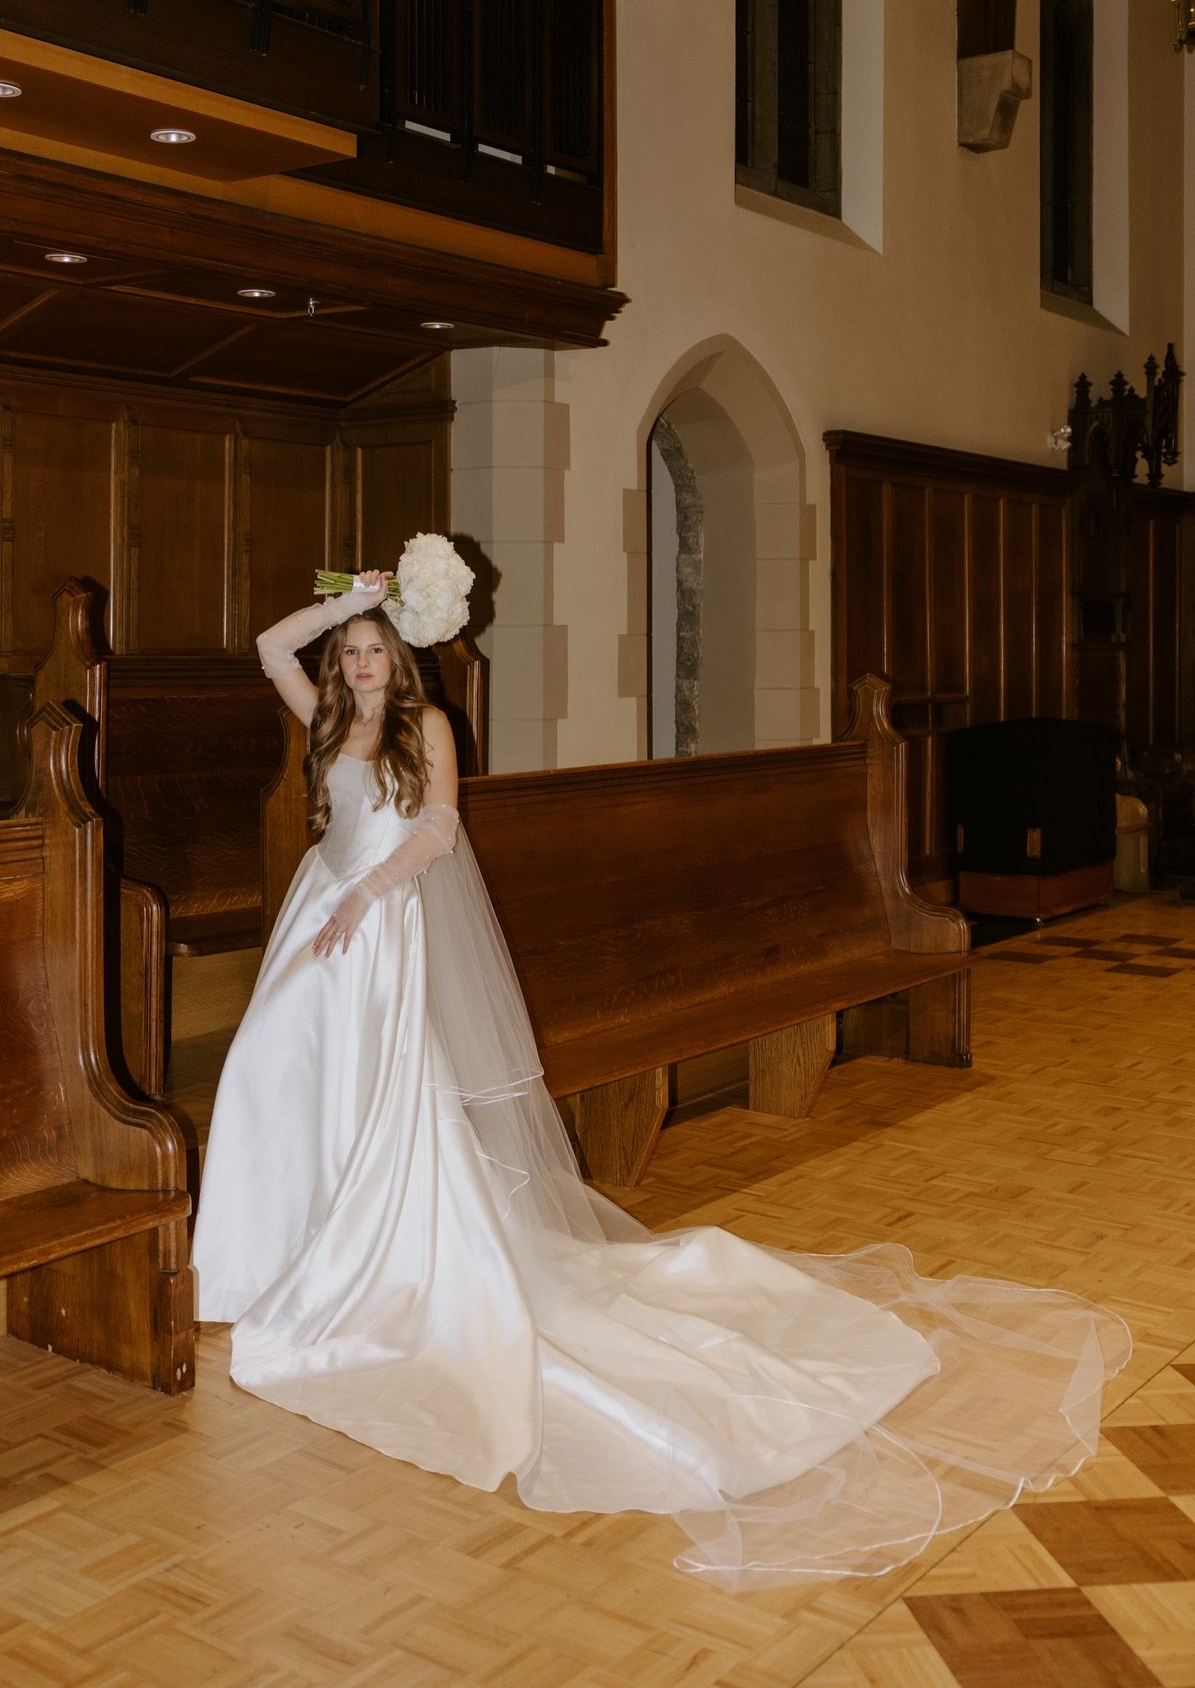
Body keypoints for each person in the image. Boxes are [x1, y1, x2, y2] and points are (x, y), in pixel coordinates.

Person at [191, 574, 1130, 1588]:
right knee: (272, 1081)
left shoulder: (427, 725)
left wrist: (364, 899)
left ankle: (362, 1272)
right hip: (315, 925)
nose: (362, 665)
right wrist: (348, 604)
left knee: (368, 1103)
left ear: (402, 662)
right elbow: (265, 647)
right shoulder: (325, 717)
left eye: (376, 650)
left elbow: (439, 833)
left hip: (374, 933)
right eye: (352, 653)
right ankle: (274, 1261)